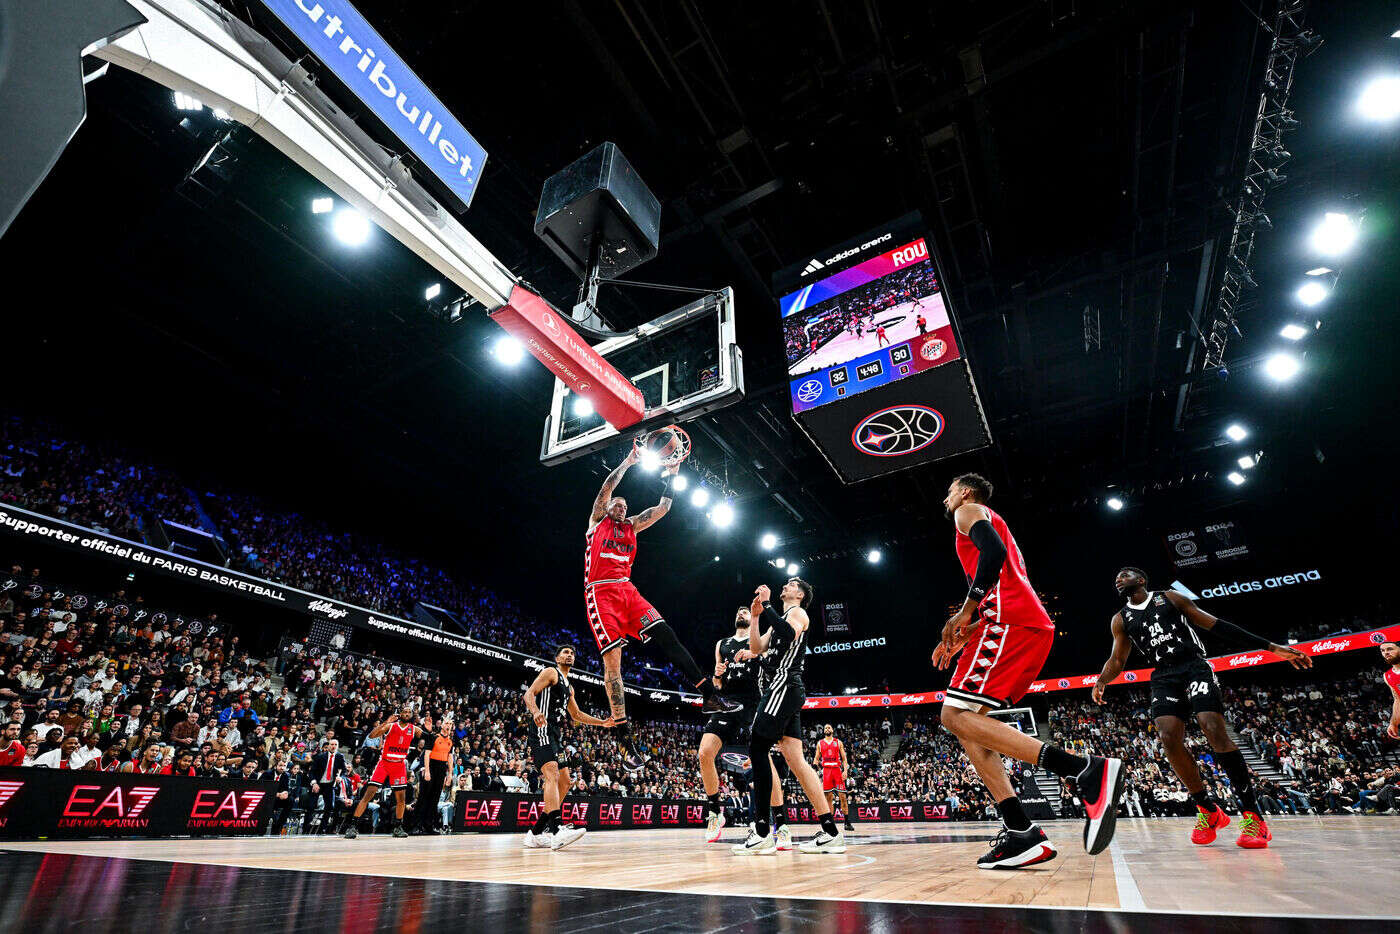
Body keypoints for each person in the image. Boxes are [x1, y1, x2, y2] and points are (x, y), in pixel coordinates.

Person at [933, 473, 1124, 869]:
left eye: (951, 490)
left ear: (965, 492)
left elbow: (995, 553)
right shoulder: (987, 517)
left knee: (952, 716)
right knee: (969, 727)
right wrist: (968, 631)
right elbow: (1005, 576)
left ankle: (1084, 770)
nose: (947, 497)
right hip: (1014, 624)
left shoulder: (968, 511)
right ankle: (1022, 832)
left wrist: (967, 610)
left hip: (1011, 623)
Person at [1094, 568, 1311, 848]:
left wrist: (1270, 647)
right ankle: (1208, 810)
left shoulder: (1170, 598)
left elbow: (1216, 625)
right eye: (1117, 576)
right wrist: (1101, 680)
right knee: (1168, 737)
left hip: (1194, 666)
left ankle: (1253, 816)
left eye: (1125, 574)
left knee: (1212, 726)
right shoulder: (1120, 619)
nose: (1118, 578)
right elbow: (1117, 659)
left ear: (1142, 580)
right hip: (1164, 675)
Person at [585, 444, 740, 770]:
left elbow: (664, 506)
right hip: (600, 594)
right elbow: (606, 488)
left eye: (625, 505)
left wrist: (675, 469)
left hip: (627, 591)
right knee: (614, 661)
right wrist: (628, 460)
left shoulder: (632, 526)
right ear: (607, 508)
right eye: (617, 504)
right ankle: (624, 738)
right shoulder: (598, 522)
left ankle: (709, 695)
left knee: (667, 634)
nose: (621, 507)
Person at [732, 578, 845, 855]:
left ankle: (761, 831)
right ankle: (830, 831)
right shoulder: (779, 616)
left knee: (757, 747)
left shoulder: (798, 613)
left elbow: (788, 633)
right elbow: (757, 648)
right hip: (788, 690)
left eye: (793, 584)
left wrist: (768, 603)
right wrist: (757, 618)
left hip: (784, 685)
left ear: (801, 594)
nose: (787, 585)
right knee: (797, 761)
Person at [522, 645, 615, 850]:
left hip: (555, 734)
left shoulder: (569, 686)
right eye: (565, 652)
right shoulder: (550, 672)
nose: (569, 655)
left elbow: (577, 715)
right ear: (557, 658)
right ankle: (556, 830)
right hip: (542, 728)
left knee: (565, 782)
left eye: (572, 653)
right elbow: (528, 694)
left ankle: (536, 833)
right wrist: (536, 711)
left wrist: (603, 723)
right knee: (552, 775)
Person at [698, 607, 771, 843]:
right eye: (738, 611)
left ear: (752, 618)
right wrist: (716, 675)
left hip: (754, 702)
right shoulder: (722, 644)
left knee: (764, 761)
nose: (741, 612)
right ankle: (714, 811)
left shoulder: (758, 642)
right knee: (704, 752)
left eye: (745, 611)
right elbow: (717, 683)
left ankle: (778, 823)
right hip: (727, 702)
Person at [343, 704, 418, 839]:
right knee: (368, 795)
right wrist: (386, 722)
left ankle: (398, 827)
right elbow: (372, 735)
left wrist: (430, 732)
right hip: (384, 763)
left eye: (409, 712)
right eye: (404, 711)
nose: (407, 714)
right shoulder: (391, 726)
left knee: (401, 799)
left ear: (412, 715)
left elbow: (430, 739)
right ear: (400, 713)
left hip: (400, 765)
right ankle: (353, 826)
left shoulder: (414, 729)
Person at [415, 716, 455, 834]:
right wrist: (427, 771)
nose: (448, 726)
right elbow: (427, 754)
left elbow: (450, 758)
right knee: (423, 796)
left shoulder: (450, 741)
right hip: (431, 766)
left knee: (435, 798)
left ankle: (429, 825)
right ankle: (417, 825)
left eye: (450, 724)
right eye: (446, 723)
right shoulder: (434, 737)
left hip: (442, 768)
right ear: (442, 725)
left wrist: (450, 775)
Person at [814, 724, 855, 832]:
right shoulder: (820, 743)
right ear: (823, 731)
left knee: (843, 797)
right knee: (829, 798)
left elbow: (844, 759)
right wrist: (816, 769)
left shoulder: (838, 742)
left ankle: (847, 822)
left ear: (832, 730)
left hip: (837, 770)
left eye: (829, 727)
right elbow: (816, 759)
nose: (827, 728)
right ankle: (831, 823)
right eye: (825, 727)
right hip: (827, 771)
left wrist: (845, 771)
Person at [308, 738, 349, 834]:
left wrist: (340, 778)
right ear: (328, 745)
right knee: (311, 806)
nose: (333, 746)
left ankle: (322, 829)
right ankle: (307, 828)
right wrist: (314, 783)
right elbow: (312, 772)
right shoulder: (320, 756)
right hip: (318, 783)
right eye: (331, 744)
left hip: (330, 785)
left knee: (330, 806)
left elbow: (343, 771)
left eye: (335, 744)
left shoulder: (340, 756)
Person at [1381, 641, 1400, 740]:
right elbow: (1398, 700)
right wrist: (1393, 723)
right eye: (1383, 650)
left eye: (1390, 649)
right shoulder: (1387, 676)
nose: (1385, 653)